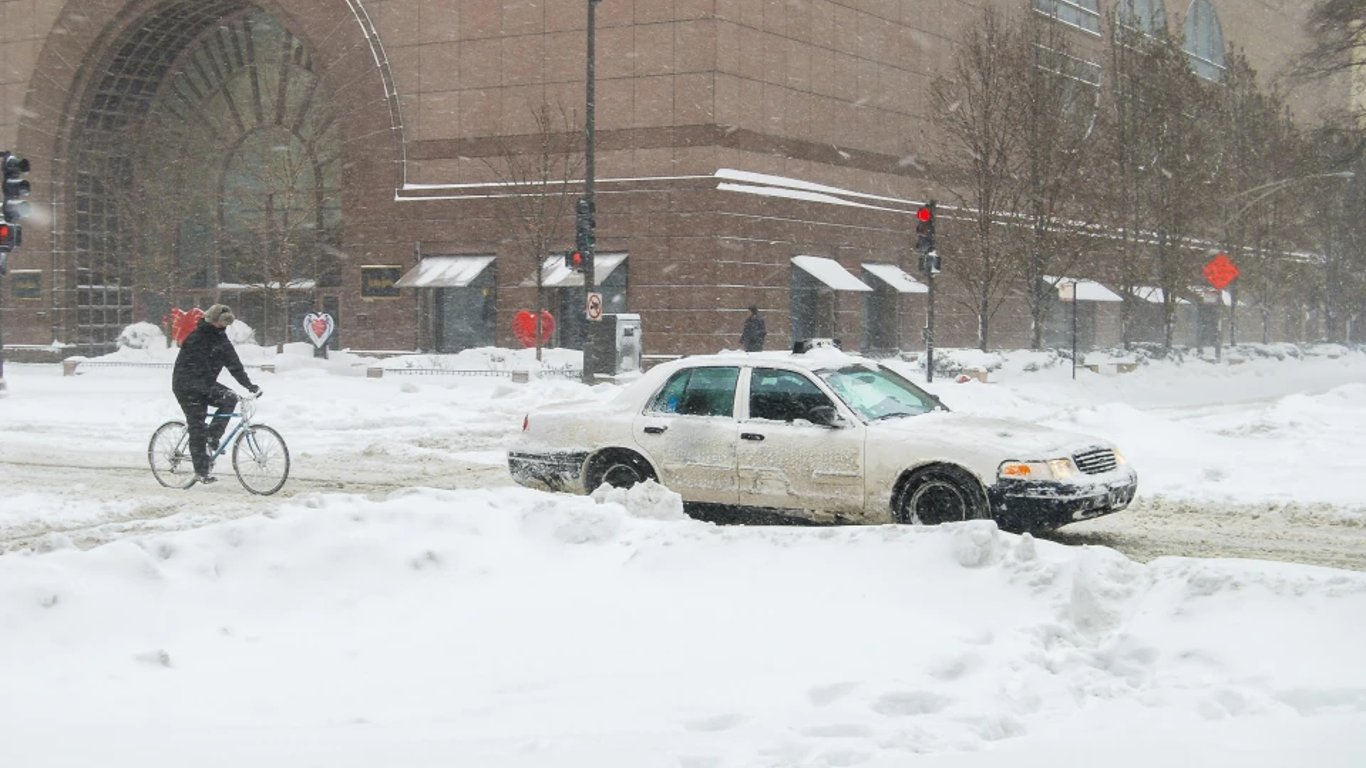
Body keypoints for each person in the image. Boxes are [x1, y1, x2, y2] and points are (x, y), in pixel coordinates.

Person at [172, 304, 261, 484]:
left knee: (230, 398)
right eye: (221, 324)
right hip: (186, 386)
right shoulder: (197, 338)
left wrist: (249, 385)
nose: (223, 328)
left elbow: (234, 365)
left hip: (205, 385)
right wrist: (205, 386)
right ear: (212, 321)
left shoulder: (221, 340)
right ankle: (201, 471)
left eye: (226, 325)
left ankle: (212, 437)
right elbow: (192, 368)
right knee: (197, 426)